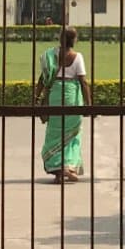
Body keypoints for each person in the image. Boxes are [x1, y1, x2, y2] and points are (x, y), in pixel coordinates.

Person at [36, 27, 87, 182]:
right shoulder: (77, 57)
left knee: (55, 133)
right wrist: (89, 104)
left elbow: (42, 79)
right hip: (72, 97)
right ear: (74, 40)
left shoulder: (51, 56)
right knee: (72, 133)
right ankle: (68, 166)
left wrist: (36, 96)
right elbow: (83, 82)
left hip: (55, 97)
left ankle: (58, 171)